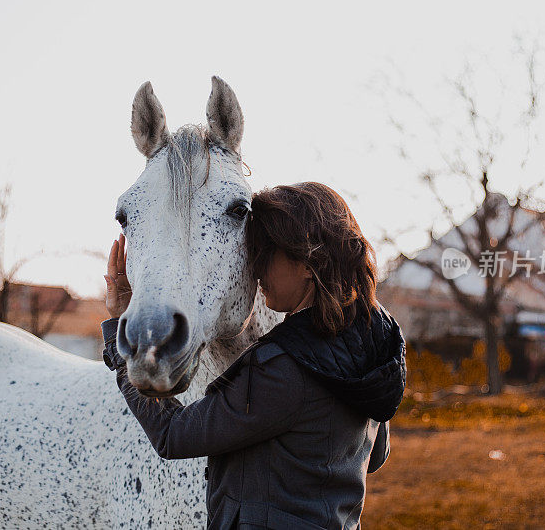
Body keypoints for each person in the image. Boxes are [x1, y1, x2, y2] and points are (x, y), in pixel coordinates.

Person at [101, 181, 406, 529]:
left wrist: (120, 334)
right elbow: (375, 455)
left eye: (265, 253)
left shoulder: (284, 368)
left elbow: (172, 434)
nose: (256, 269)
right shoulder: (367, 344)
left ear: (309, 262)